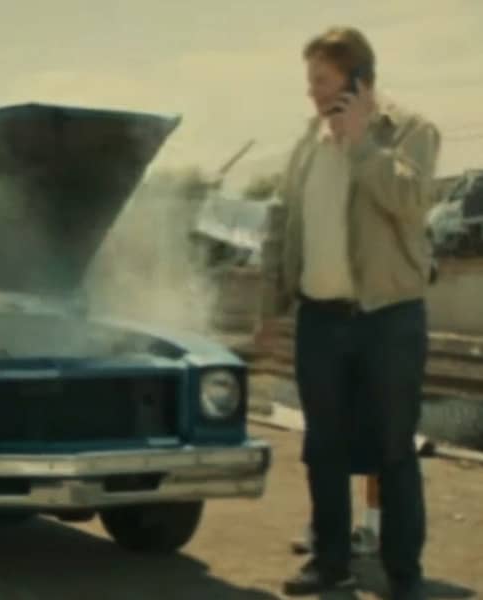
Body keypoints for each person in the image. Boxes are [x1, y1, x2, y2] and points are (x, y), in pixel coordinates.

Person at [257, 26, 440, 598]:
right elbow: (282, 225)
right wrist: (271, 309)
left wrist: (361, 142)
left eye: (322, 80)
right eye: (310, 80)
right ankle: (329, 560)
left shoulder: (411, 131)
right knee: (323, 447)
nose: (311, 92)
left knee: (393, 447)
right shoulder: (308, 142)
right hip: (321, 317)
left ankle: (403, 573)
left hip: (388, 316)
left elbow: (410, 204)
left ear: (358, 80)